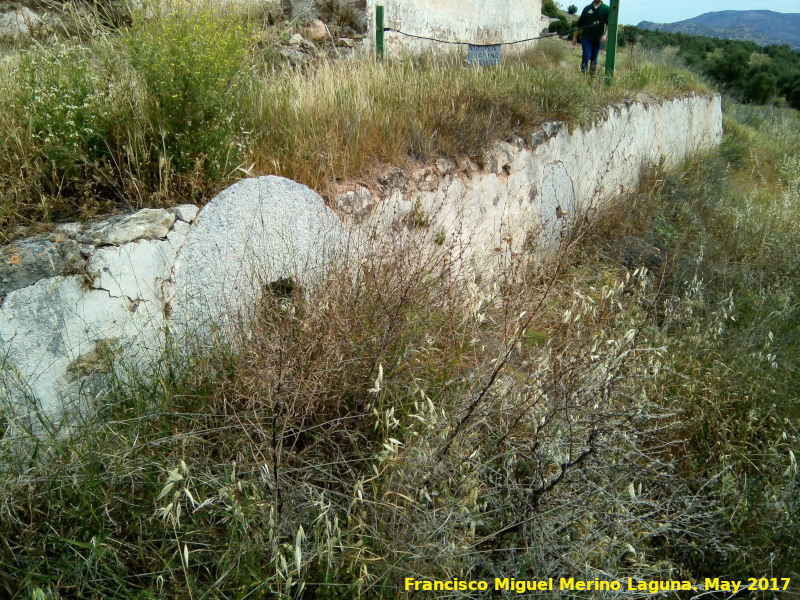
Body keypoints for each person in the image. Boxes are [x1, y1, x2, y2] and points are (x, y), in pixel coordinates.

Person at [572, 0, 610, 75]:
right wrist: (574, 37)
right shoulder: (587, 8)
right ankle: (583, 77)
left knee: (594, 59)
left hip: (598, 39)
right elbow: (579, 24)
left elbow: (609, 24)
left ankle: (592, 78)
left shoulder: (606, 9)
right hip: (587, 38)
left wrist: (605, 36)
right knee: (586, 56)